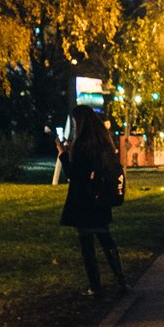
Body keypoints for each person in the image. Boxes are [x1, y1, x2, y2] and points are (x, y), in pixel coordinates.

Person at [58, 105, 128, 296]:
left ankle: (95, 286)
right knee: (106, 239)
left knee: (87, 245)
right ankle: (121, 280)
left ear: (80, 123)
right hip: (101, 200)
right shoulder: (104, 143)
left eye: (75, 123)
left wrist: (63, 154)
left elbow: (75, 175)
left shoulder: (82, 146)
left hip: (84, 201)